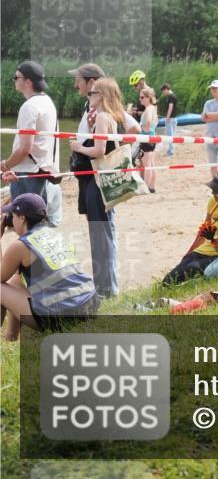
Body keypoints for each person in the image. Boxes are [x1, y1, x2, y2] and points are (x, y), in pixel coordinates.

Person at [0, 194, 100, 341]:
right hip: (89, 305)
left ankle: (7, 342)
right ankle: (10, 339)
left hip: (62, 317)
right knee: (16, 280)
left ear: (22, 218)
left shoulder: (20, 246)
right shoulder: (54, 235)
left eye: (12, 215)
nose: (10, 220)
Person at [67, 77, 129, 297]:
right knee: (104, 232)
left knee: (100, 234)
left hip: (97, 181)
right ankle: (106, 286)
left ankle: (105, 288)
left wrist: (78, 147)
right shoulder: (113, 117)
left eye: (93, 93)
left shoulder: (103, 117)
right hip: (105, 180)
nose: (89, 96)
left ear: (102, 95)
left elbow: (100, 151)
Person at [1, 61, 58, 202]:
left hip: (27, 173)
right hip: (42, 170)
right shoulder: (47, 101)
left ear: (28, 81)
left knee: (24, 220)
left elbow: (25, 148)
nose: (14, 80)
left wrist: (6, 165)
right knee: (36, 217)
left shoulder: (29, 107)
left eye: (16, 77)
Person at [136, 86, 159, 193]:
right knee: (151, 163)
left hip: (147, 138)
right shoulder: (152, 108)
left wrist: (142, 128)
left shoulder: (149, 109)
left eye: (142, 97)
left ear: (148, 98)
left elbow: (149, 123)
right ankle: (151, 186)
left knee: (147, 165)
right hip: (152, 138)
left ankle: (146, 187)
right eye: (140, 97)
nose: (140, 99)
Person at [160, 83, 178, 156]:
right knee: (172, 135)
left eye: (163, 91)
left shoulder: (171, 97)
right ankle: (171, 150)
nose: (163, 93)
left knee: (170, 136)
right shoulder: (173, 96)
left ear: (166, 89)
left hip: (171, 119)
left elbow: (170, 108)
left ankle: (171, 151)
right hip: (174, 118)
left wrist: (167, 118)